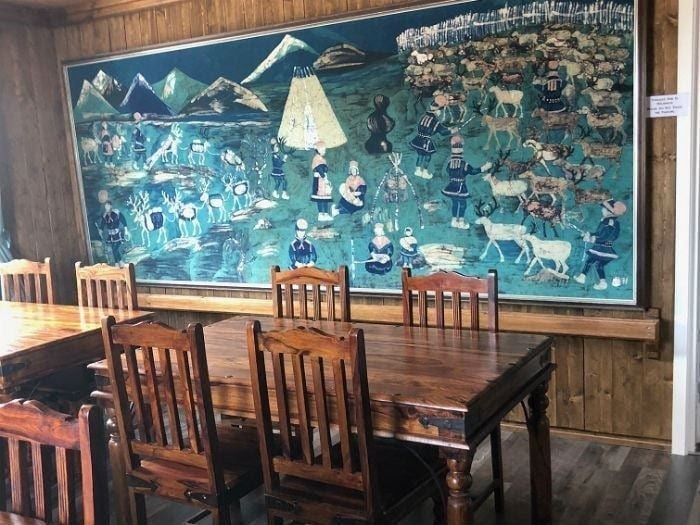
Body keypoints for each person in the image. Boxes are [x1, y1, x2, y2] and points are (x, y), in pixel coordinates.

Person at [441, 135, 493, 229]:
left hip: (452, 185)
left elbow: (447, 171)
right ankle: (461, 222)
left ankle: (454, 221)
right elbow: (473, 171)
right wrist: (484, 167)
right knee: (463, 204)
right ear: (461, 152)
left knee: (455, 203)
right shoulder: (464, 164)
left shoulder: (450, 163)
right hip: (460, 186)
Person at [574, 199, 627, 290]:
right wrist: (589, 234)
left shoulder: (609, 222)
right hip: (602, 247)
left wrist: (592, 239)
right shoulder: (607, 221)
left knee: (590, 261)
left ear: (610, 211)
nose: (602, 210)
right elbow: (600, 234)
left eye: (604, 209)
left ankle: (583, 277)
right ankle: (601, 282)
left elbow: (606, 236)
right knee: (598, 265)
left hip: (602, 247)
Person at [408, 94, 452, 179]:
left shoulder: (424, 116)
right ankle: (424, 172)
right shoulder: (435, 120)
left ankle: (418, 170)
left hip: (419, 138)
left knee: (420, 155)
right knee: (427, 156)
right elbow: (442, 132)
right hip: (426, 141)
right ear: (437, 111)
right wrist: (452, 130)